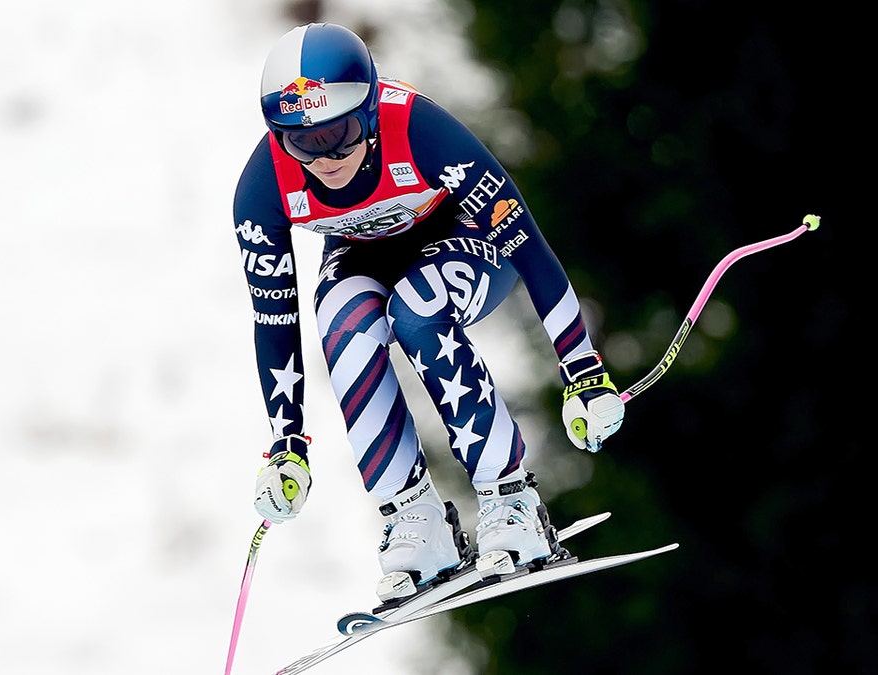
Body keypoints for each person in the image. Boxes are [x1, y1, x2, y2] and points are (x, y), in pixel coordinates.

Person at [233, 22, 625, 602]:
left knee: (416, 308)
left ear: (367, 111)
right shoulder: (262, 188)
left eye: (340, 133)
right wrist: (286, 445)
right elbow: (274, 318)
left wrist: (584, 374)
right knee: (342, 317)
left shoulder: (420, 131)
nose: (327, 157)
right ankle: (416, 521)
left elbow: (531, 252)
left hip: (468, 242)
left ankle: (511, 499)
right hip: (364, 256)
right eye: (302, 140)